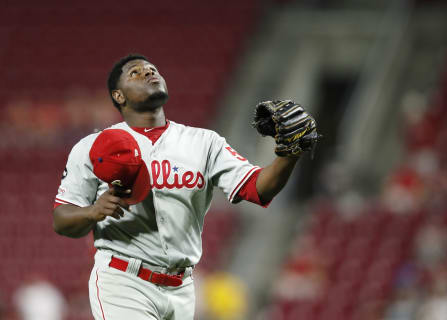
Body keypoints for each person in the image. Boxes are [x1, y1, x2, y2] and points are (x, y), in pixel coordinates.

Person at [53, 54, 317, 320]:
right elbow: (62, 219)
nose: (148, 72)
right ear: (119, 96)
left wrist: (289, 153)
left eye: (153, 69)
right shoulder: (93, 147)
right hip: (124, 280)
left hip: (181, 288)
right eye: (136, 72)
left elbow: (257, 188)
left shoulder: (204, 142)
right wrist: (92, 212)